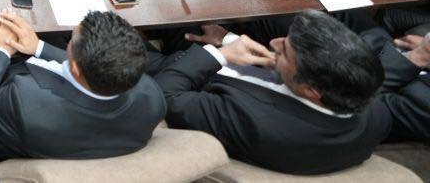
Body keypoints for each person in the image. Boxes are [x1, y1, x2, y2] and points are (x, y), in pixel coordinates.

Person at [157, 11, 388, 175]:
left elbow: (166, 95)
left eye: (284, 51)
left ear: (310, 90)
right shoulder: (374, 111)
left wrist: (221, 54)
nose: (274, 43)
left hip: (178, 77)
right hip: (238, 73)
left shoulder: (254, 122)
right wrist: (228, 39)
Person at [0, 8, 163, 162]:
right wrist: (39, 47)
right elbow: (93, 67)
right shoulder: (151, 96)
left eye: (71, 38)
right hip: (77, 136)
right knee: (50, 35)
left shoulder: (25, 100)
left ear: (76, 68)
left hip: (17, 125)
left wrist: (1, 50)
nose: (69, 41)